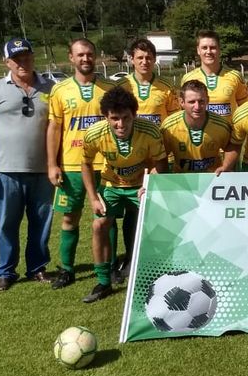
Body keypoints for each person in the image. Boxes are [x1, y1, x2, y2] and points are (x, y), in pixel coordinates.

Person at [0, 38, 55, 291]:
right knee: (7, 224)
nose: (23, 62)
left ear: (33, 57)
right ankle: (6, 272)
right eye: (16, 59)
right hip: (8, 170)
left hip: (43, 170)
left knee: (41, 222)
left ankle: (37, 268)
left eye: (26, 57)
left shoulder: (51, 88)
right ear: (6, 62)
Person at [80, 86, 168, 303]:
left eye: (126, 118)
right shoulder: (94, 134)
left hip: (140, 185)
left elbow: (161, 162)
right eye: (115, 118)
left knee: (154, 228)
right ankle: (103, 281)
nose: (121, 124)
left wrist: (149, 184)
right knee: (99, 225)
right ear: (106, 117)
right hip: (111, 185)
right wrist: (93, 197)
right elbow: (86, 164)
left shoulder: (150, 131)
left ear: (134, 115)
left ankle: (152, 278)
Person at [46, 38, 117, 289]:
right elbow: (55, 128)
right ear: (71, 58)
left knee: (107, 219)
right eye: (80, 55)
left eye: (89, 54)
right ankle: (67, 269)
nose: (85, 58)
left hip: (105, 165)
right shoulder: (60, 90)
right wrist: (52, 164)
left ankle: (110, 268)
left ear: (95, 56)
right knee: (69, 219)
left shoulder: (110, 88)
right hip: (72, 166)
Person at [114, 38, 179, 284]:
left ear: (155, 60)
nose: (144, 61)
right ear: (131, 59)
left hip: (159, 157)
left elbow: (174, 122)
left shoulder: (166, 87)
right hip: (131, 157)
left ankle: (159, 258)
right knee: (133, 211)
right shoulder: (121, 86)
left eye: (149, 57)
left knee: (161, 211)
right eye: (139, 57)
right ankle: (131, 257)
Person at [161, 80, 236, 174]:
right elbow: (160, 156)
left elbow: (232, 147)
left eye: (201, 101)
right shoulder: (169, 127)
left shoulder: (221, 125)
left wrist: (226, 166)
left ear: (207, 100)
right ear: (181, 102)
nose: (197, 107)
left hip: (213, 178)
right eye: (192, 102)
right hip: (182, 178)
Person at [180, 30, 248, 123]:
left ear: (219, 50)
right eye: (204, 48)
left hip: (228, 131)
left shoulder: (235, 76)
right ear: (198, 50)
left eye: (213, 48)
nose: (208, 52)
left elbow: (246, 109)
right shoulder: (187, 79)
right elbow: (183, 112)